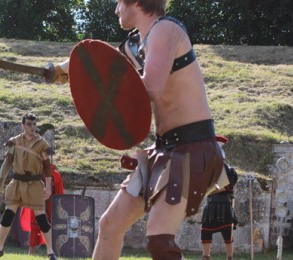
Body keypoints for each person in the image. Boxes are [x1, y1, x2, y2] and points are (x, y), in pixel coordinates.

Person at [50, 1, 224, 259]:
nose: (116, 9)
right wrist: (63, 69)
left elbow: (150, 89)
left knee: (159, 240)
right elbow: (106, 64)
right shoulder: (136, 44)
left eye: (120, 2)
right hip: (164, 151)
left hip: (191, 150)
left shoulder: (165, 29)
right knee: (110, 226)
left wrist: (95, 85)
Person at [0, 112, 57, 260]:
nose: (32, 127)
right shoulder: (14, 142)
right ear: (23, 125)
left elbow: (47, 167)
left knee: (42, 219)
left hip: (34, 184)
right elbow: (8, 162)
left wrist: (49, 186)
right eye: (29, 124)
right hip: (17, 183)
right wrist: (0, 181)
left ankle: (51, 252)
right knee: (8, 216)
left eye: (34, 124)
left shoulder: (42, 144)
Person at [200, 136, 238, 260]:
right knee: (206, 234)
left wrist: (215, 189)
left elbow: (227, 186)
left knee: (228, 236)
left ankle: (230, 258)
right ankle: (206, 257)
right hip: (210, 205)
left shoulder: (230, 171)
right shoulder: (206, 170)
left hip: (225, 206)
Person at [20, 164, 65, 255]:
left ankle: (52, 251)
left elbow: (59, 192)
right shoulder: (35, 173)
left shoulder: (56, 174)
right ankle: (31, 251)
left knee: (53, 227)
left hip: (51, 203)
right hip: (37, 202)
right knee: (35, 227)